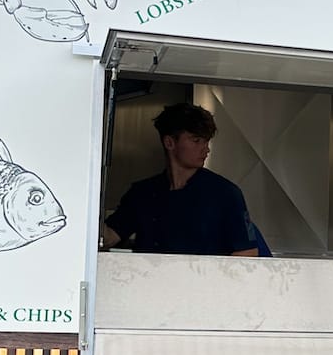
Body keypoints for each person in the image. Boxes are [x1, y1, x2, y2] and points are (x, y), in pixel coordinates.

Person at [106, 102, 263, 256]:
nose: (206, 148)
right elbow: (109, 237)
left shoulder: (225, 194)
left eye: (206, 141)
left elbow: (246, 253)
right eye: (196, 140)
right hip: (150, 280)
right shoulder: (142, 193)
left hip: (205, 281)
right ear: (169, 142)